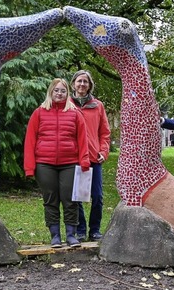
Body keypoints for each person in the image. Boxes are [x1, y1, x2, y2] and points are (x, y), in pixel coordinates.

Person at [24, 78, 90, 248]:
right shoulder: (39, 113)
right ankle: (55, 236)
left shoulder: (75, 114)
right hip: (44, 164)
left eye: (63, 91)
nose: (59, 93)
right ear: (50, 92)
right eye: (56, 90)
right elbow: (30, 140)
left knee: (70, 200)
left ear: (67, 93)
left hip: (70, 163)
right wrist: (30, 167)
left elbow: (83, 139)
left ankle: (71, 235)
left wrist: (84, 161)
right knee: (50, 199)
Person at [70, 70, 111, 242]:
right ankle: (80, 230)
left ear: (89, 85)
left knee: (97, 196)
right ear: (73, 84)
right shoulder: (67, 105)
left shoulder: (97, 105)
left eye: (85, 82)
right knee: (77, 197)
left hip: (94, 157)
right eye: (79, 81)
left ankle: (94, 230)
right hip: (74, 157)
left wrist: (104, 151)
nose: (82, 84)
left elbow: (105, 132)